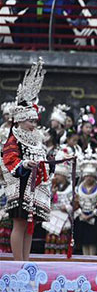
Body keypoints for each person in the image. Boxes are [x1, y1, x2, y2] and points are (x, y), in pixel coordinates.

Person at [2, 59, 52, 261]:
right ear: (20, 120)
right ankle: (17, 263)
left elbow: (42, 159)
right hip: (21, 186)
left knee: (30, 227)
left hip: (36, 186)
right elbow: (9, 159)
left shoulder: (36, 139)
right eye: (30, 121)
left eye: (34, 121)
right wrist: (23, 164)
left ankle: (26, 260)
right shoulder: (14, 138)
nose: (33, 125)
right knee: (20, 224)